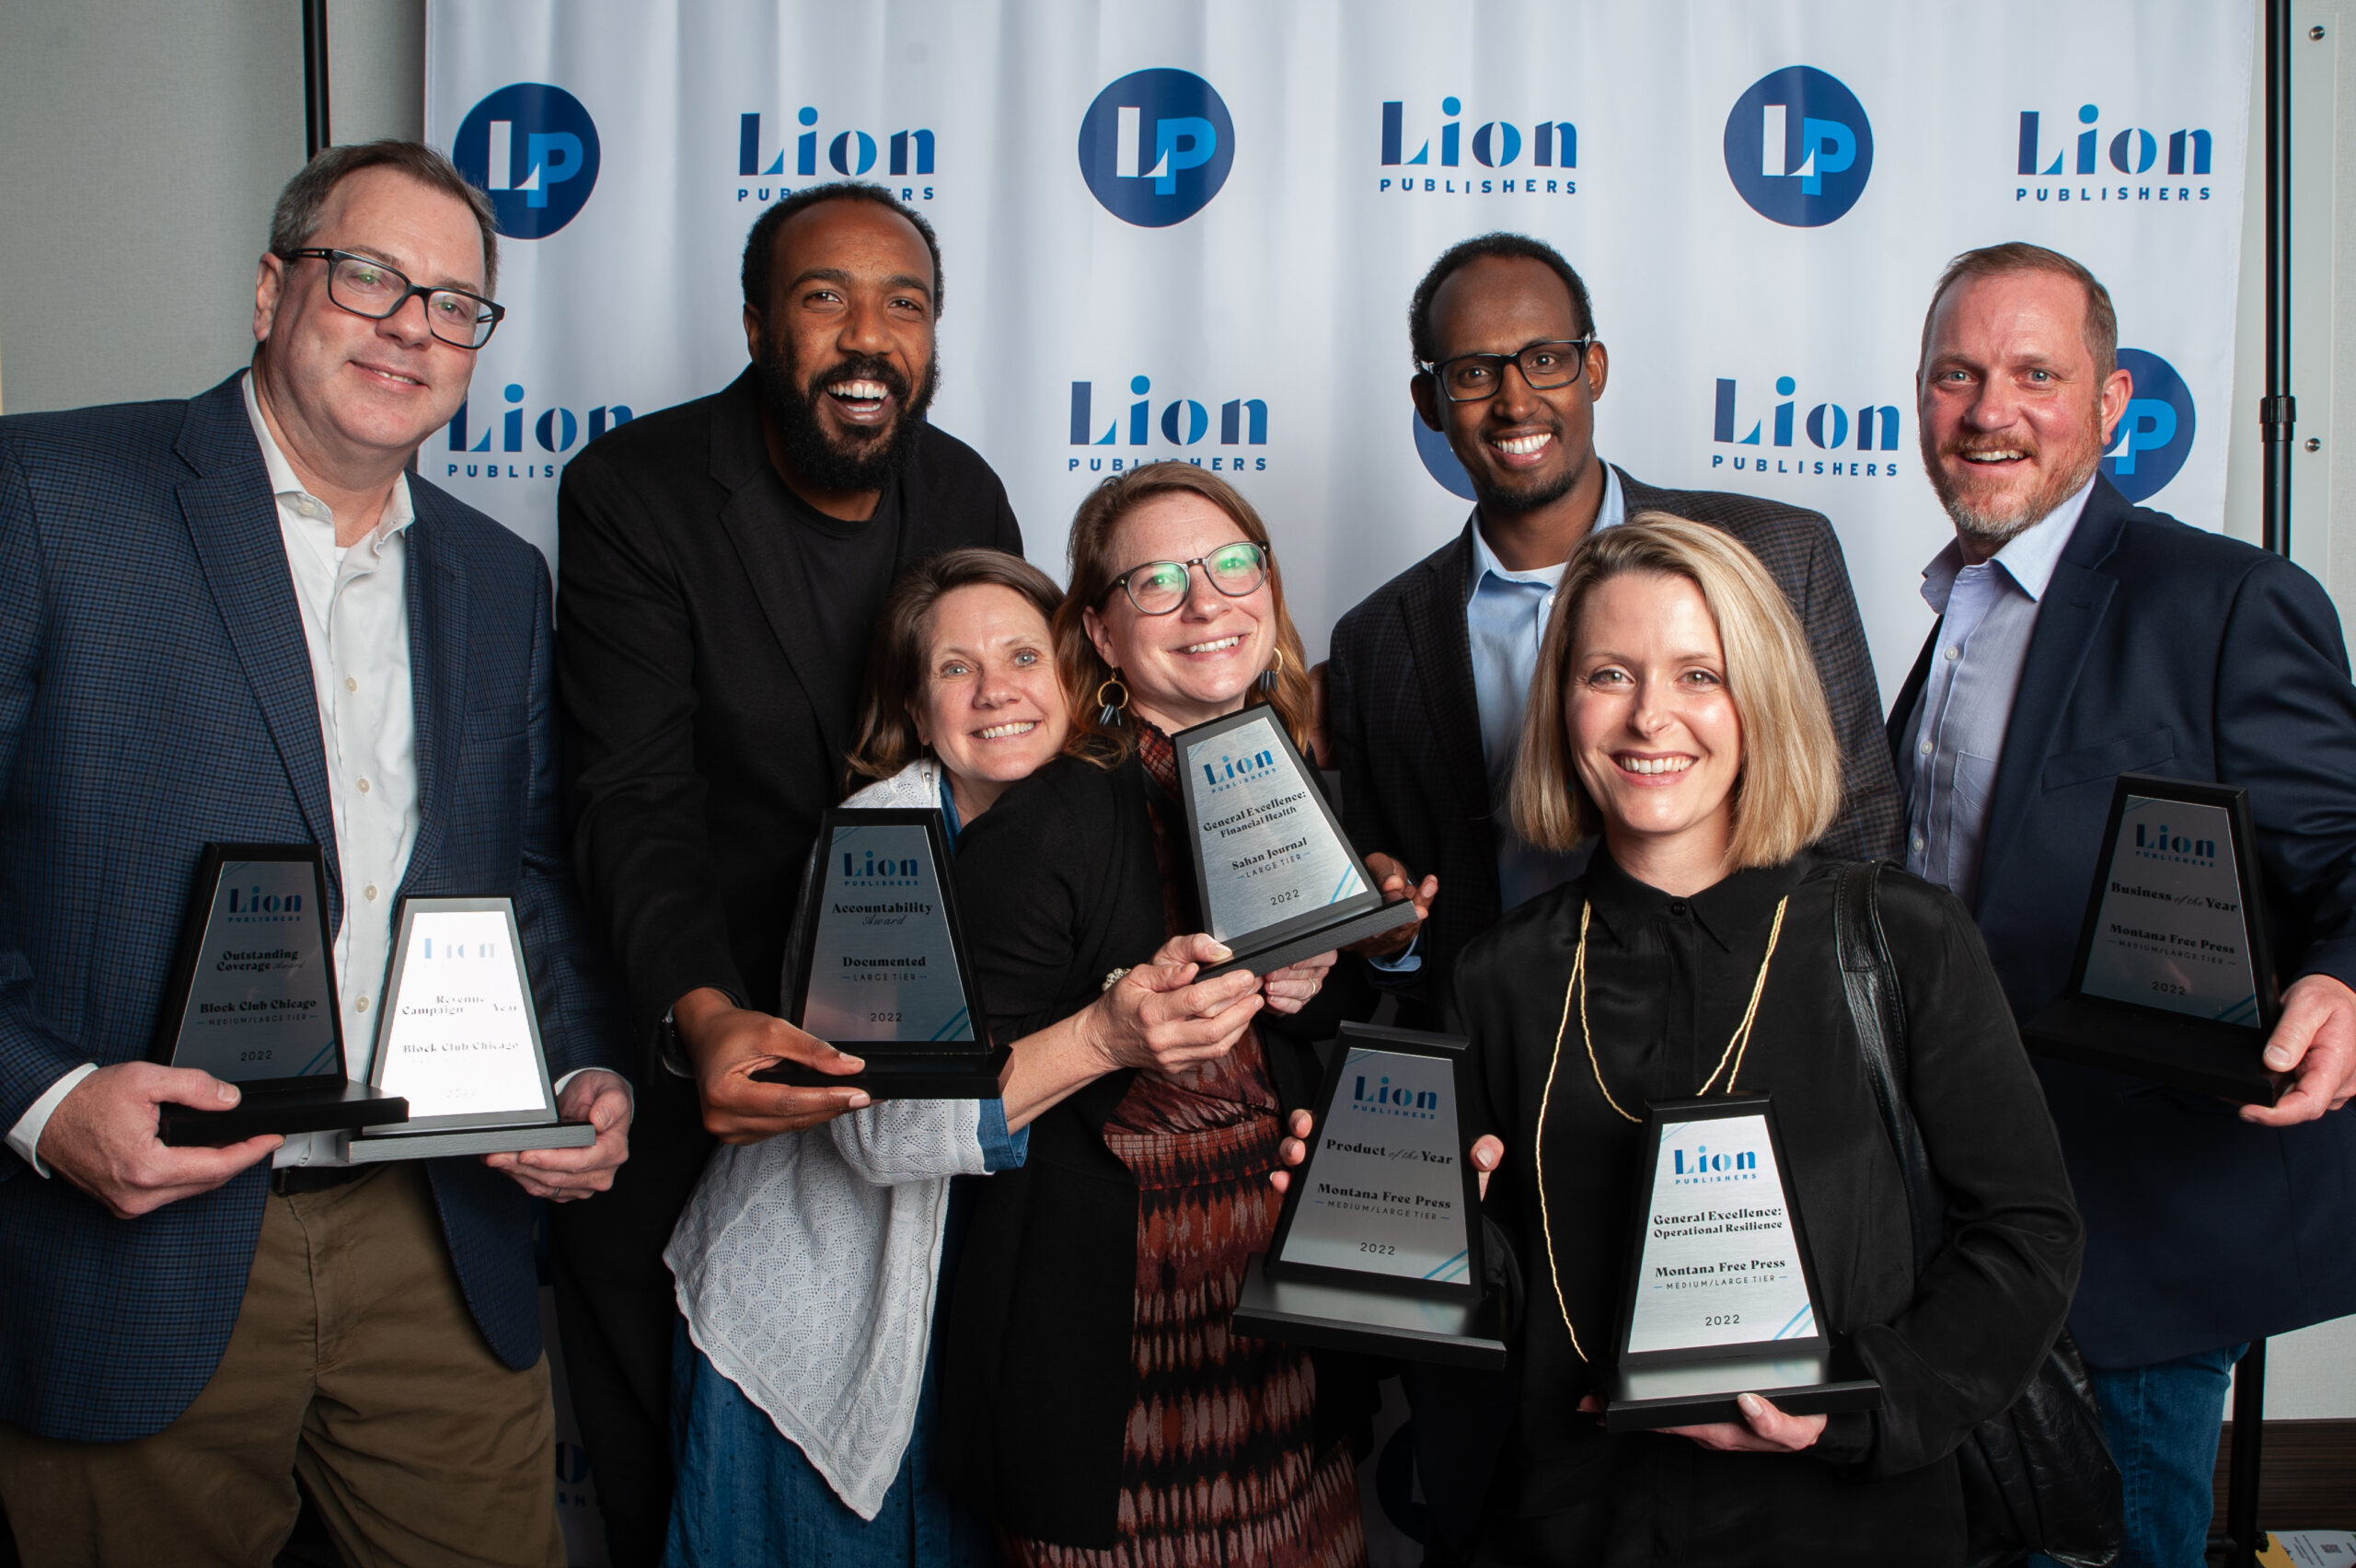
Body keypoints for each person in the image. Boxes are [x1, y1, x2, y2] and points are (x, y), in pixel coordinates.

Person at [0, 141, 633, 1567]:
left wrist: (578, 1068)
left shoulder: (495, 574)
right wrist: (41, 1101)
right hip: (138, 1229)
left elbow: (521, 876)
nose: (413, 324)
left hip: (431, 1226)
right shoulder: (50, 492)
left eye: (455, 303)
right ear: (273, 287)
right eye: (371, 278)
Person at [1322, 229, 1906, 1560]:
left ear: (1593, 367)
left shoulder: (1773, 548)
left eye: (1542, 358)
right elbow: (1406, 950)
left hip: (1764, 1111)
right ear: (1428, 404)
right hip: (1527, 1132)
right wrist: (1390, 936)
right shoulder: (1379, 641)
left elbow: (1862, 828)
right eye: (1473, 372)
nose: (1513, 400)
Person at [1356, 515, 2078, 1564]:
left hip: (1847, 1525)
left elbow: (2028, 1234)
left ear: (1763, 699)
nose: (1652, 716)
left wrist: (1857, 1401)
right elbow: (1496, 1309)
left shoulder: (1899, 940)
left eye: (1700, 673)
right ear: (1563, 704)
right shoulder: (1496, 976)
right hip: (1578, 1527)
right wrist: (1392, 1235)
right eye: (1609, 672)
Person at [552, 181, 1022, 1562]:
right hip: (702, 1037)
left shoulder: (965, 489)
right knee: (681, 1480)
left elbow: (1000, 755)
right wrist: (700, 1016)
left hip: (907, 1077)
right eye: (826, 299)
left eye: (905, 303)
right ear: (759, 323)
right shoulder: (634, 493)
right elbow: (632, 799)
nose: (867, 336)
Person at [1891, 242, 2356, 1568]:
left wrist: (2347, 981)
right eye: (1956, 374)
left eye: (2037, 374)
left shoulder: (2220, 603)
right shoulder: (1956, 608)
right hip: (1969, 1233)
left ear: (2110, 404)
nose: (1990, 411)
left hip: (2139, 1242)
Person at [941, 465, 1374, 1566]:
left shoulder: (1300, 780)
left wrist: (1333, 973)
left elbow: (1338, 1037)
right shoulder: (1045, 823)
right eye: (1158, 582)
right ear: (1100, 629)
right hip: (1114, 1386)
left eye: (1233, 566)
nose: (1207, 601)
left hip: (1291, 1361)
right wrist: (1106, 1037)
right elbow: (922, 1114)